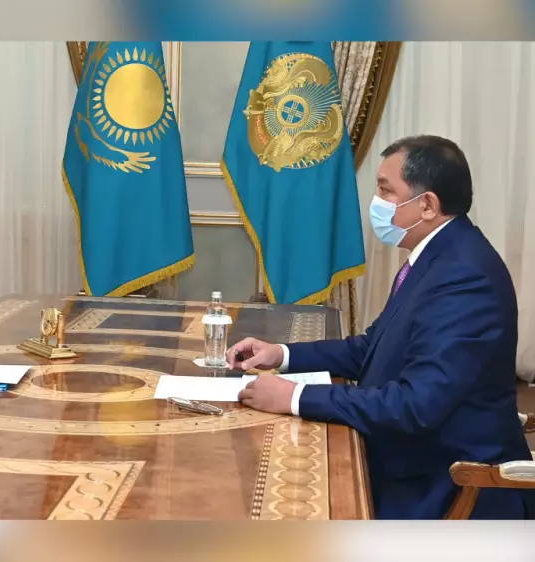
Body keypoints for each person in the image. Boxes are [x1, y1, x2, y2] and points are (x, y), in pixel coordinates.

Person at [227, 135, 534, 519]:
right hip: (414, 456)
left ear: (427, 205)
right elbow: (373, 347)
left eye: (386, 191)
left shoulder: (465, 277)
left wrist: (295, 398)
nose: (376, 201)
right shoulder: (437, 256)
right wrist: (282, 354)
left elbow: (415, 405)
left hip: (447, 482)